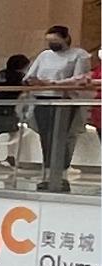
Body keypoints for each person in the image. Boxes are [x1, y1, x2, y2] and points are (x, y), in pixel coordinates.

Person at [27, 25, 93, 194]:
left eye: (55, 40)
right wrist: (36, 83)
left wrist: (52, 83)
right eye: (49, 41)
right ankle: (47, 174)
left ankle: (61, 174)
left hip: (64, 100)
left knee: (62, 138)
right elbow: (30, 77)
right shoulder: (44, 55)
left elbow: (79, 79)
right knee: (46, 137)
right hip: (42, 100)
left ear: (65, 39)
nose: (52, 44)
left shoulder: (79, 55)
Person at [0, 54, 32, 171]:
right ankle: (10, 157)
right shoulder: (20, 77)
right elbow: (25, 91)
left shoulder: (1, 74)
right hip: (5, 109)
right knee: (13, 133)